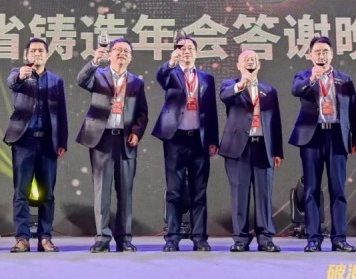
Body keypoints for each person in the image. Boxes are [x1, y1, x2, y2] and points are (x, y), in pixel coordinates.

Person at [289, 36, 356, 253]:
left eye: (325, 52)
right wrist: (313, 78)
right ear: (310, 55)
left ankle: (339, 239)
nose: (321, 56)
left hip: (337, 137)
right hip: (312, 138)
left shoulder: (344, 79)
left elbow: (354, 110)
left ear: (332, 55)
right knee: (311, 189)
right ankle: (313, 239)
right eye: (317, 52)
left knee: (338, 189)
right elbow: (296, 90)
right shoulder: (303, 76)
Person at [76, 38, 148, 253]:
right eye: (118, 50)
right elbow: (81, 80)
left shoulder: (136, 83)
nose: (122, 53)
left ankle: (124, 239)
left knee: (125, 192)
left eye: (126, 51)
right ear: (110, 54)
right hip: (102, 139)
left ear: (131, 57)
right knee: (102, 192)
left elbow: (142, 113)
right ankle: (102, 238)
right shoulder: (98, 75)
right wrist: (94, 61)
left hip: (125, 141)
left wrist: (136, 132)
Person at [152, 36, 218, 252]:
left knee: (199, 192)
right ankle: (172, 238)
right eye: (182, 48)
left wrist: (213, 140)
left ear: (196, 52)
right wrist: (170, 63)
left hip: (199, 140)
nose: (186, 51)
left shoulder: (207, 78)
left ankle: (200, 238)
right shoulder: (171, 73)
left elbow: (211, 111)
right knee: (174, 191)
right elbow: (160, 77)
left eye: (190, 48)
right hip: (175, 139)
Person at [4, 38, 68, 253]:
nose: (37, 54)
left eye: (41, 50)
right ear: (27, 55)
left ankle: (45, 237)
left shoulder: (56, 80)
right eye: (33, 51)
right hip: (24, 141)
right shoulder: (19, 74)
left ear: (47, 55)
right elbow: (12, 82)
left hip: (48, 142)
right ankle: (22, 238)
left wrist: (62, 141)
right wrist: (21, 76)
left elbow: (61, 113)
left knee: (47, 193)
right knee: (21, 192)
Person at [219, 49, 283, 253]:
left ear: (259, 65)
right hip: (238, 148)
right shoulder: (229, 85)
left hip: (263, 147)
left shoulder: (269, 91)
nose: (250, 62)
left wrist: (278, 151)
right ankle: (240, 238)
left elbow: (275, 122)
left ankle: (265, 239)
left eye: (254, 59)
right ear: (239, 65)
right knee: (239, 194)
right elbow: (225, 97)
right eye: (246, 59)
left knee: (264, 195)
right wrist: (242, 84)